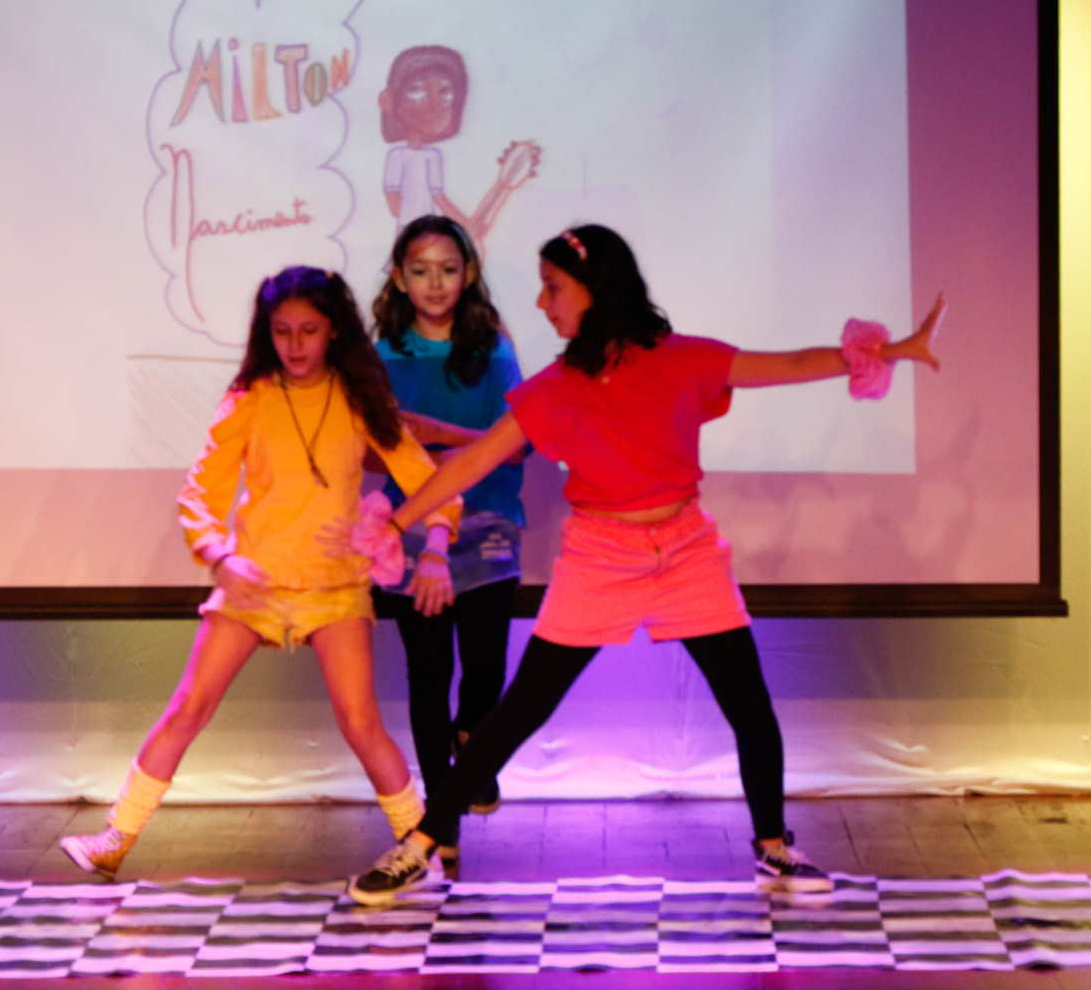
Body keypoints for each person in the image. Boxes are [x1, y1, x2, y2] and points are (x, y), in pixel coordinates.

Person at [343, 223, 946, 905]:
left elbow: (785, 365)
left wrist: (892, 350)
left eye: (552, 288)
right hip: (599, 555)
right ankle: (422, 844)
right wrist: (393, 523)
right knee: (519, 711)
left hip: (685, 550)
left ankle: (774, 848)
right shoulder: (558, 385)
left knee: (748, 704)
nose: (541, 303)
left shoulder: (681, 358)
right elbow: (473, 463)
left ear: (593, 291)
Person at [60, 266, 460, 880]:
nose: (295, 344)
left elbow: (430, 482)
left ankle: (419, 854)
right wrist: (221, 557)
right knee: (189, 706)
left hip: (334, 586)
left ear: (333, 331)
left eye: (309, 330)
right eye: (282, 331)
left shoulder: (359, 399)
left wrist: (434, 546)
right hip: (256, 582)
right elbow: (200, 493)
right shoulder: (251, 399)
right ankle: (115, 838)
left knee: (361, 724)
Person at [371, 215, 529, 873]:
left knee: (486, 670)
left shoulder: (493, 349)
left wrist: (439, 438)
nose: (435, 283)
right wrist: (430, 455)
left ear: (468, 274)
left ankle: (474, 743)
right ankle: (442, 818)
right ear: (398, 278)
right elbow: (374, 449)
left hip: (489, 523)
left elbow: (518, 440)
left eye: (447, 269)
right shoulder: (383, 355)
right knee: (428, 674)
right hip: (412, 531)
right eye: (420, 270)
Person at [378, 44, 539, 253]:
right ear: (388, 101)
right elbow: (392, 198)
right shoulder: (397, 155)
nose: (434, 104)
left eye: (445, 92)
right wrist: (417, 228)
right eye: (416, 90)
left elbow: (440, 198)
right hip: (411, 232)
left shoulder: (433, 156)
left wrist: (466, 225)